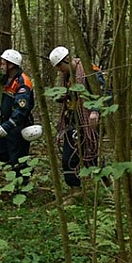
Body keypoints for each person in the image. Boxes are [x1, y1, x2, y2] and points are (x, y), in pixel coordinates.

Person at [49, 46, 102, 188]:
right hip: (71, 120)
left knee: (90, 153)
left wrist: (95, 110)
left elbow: (103, 92)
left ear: (66, 60)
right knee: (69, 157)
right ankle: (75, 189)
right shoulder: (66, 76)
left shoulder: (89, 70)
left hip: (88, 120)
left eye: (60, 65)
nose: (59, 69)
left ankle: (96, 184)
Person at [0, 49, 35, 177]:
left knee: (18, 158)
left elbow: (22, 109)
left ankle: (22, 184)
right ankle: (19, 172)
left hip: (17, 126)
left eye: (3, 64)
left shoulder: (22, 82)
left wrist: (8, 125)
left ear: (11, 65)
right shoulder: (8, 79)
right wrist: (2, 107)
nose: (1, 66)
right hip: (7, 122)